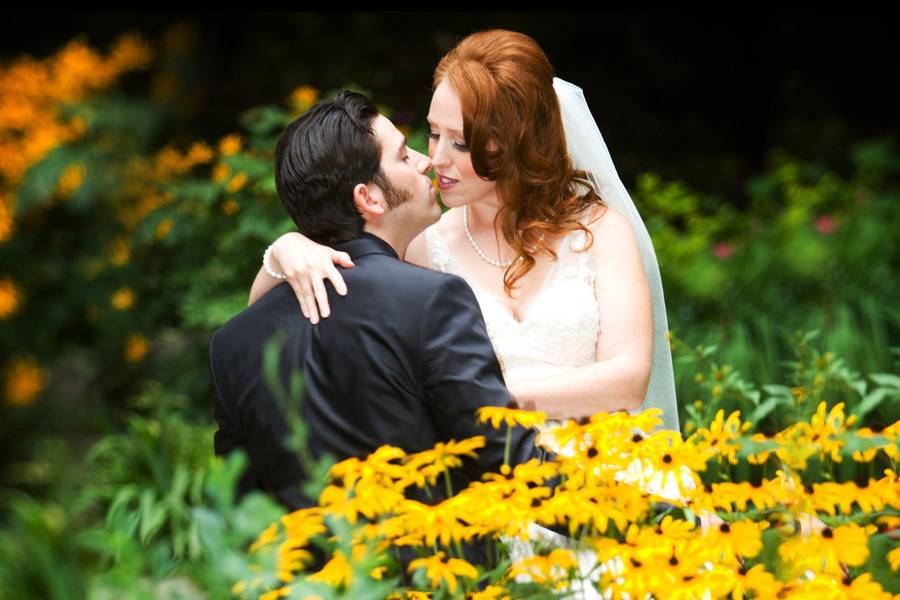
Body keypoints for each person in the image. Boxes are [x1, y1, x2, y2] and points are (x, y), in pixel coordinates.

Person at [249, 29, 679, 435]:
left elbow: (628, 379)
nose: (435, 158)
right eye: (434, 133)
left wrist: (485, 400)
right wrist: (286, 250)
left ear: (517, 141)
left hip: (608, 462)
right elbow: (266, 314)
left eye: (460, 142)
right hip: (488, 482)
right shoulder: (422, 245)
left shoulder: (601, 232)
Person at [209, 91, 547, 523]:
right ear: (369, 198)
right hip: (433, 582)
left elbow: (242, 512)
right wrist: (642, 520)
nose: (427, 162)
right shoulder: (432, 301)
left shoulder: (232, 343)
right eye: (405, 156)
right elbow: (513, 465)